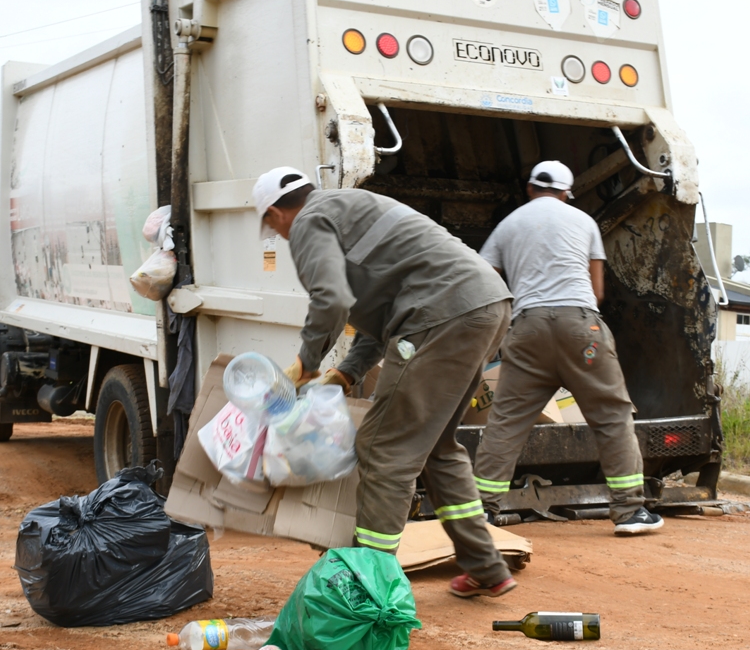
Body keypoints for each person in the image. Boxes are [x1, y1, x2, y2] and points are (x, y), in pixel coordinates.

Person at [254, 166, 518, 597]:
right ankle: (487, 567)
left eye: (271, 223)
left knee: (383, 449)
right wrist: (345, 373)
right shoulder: (345, 209)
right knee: (435, 447)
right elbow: (382, 318)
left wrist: (306, 362)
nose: (277, 234)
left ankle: (368, 585)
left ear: (275, 213)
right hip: (485, 303)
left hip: (442, 313)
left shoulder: (307, 221)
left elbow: (332, 298)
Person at [472, 161, 663, 536]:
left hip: (526, 331)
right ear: (566, 192)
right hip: (581, 331)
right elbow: (597, 292)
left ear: (530, 189)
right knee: (610, 414)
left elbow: (482, 279)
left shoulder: (507, 226)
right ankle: (629, 512)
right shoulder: (584, 222)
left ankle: (481, 513)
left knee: (506, 422)